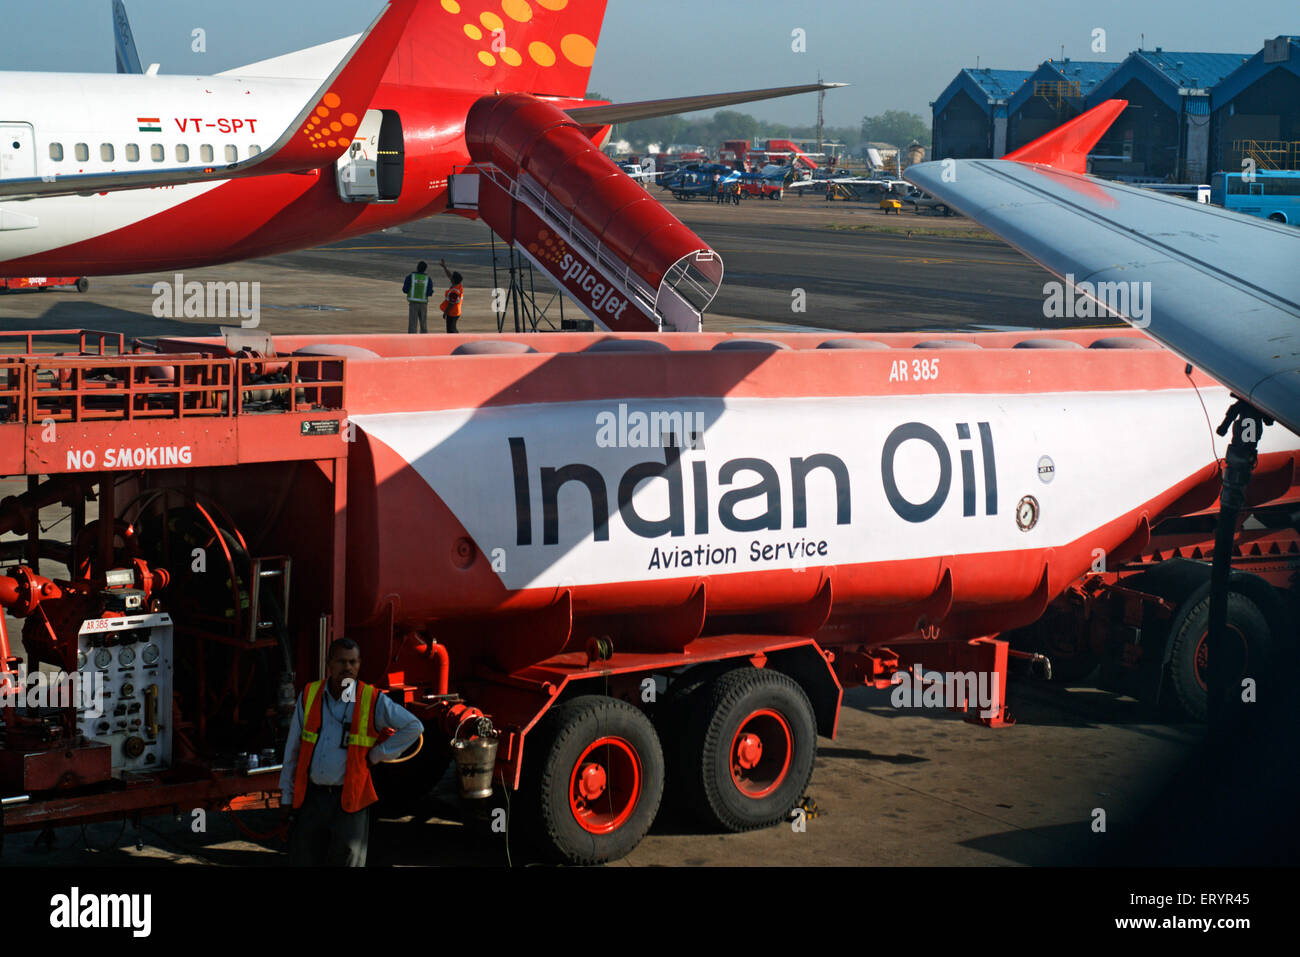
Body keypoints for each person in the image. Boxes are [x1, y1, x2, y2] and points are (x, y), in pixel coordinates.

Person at [279, 638, 423, 866]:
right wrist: (286, 797)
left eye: (353, 662)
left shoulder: (370, 698)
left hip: (351, 801)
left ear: (359, 664)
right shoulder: (310, 695)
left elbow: (414, 727)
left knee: (347, 861)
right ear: (329, 664)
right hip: (312, 799)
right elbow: (293, 750)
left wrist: (378, 755)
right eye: (342, 662)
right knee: (304, 858)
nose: (348, 668)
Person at [402, 261, 432, 334]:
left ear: (417, 267)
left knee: (412, 324)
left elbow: (405, 290)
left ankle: (412, 341)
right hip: (423, 304)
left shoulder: (410, 277)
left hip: (413, 303)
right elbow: (429, 292)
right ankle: (424, 340)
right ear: (425, 269)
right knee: (423, 325)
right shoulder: (428, 279)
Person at [438, 259, 463, 333]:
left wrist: (445, 313)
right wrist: (444, 267)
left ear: (453, 280)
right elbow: (449, 276)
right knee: (452, 328)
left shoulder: (454, 292)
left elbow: (451, 304)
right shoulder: (458, 285)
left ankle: (457, 341)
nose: (450, 277)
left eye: (452, 277)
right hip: (456, 312)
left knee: (451, 330)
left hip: (452, 313)